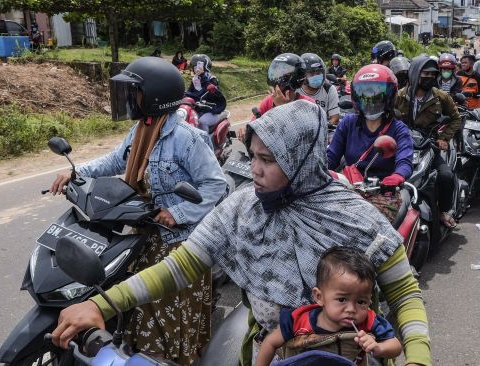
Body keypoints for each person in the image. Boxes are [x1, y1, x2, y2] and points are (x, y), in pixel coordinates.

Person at [50, 100, 432, 366]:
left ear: (301, 161)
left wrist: (417, 357)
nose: (256, 171)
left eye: (269, 160)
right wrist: (101, 304)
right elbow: (180, 266)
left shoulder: (354, 216)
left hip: (355, 356)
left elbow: (403, 294)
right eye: (254, 157)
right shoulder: (241, 207)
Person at [48, 57, 228, 364]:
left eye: (136, 92)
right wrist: (77, 172)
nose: (131, 99)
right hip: (146, 228)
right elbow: (116, 160)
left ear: (156, 95)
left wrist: (179, 212)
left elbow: (215, 185)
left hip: (180, 238)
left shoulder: (187, 138)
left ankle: (164, 358)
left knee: (160, 304)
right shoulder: (143, 129)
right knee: (132, 293)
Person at [256, 247, 402, 366]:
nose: (351, 309)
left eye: (361, 302)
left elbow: (395, 346)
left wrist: (379, 348)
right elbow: (270, 342)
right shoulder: (299, 321)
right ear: (319, 297)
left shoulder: (369, 321)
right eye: (342, 299)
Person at [327, 64, 414, 221]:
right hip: (350, 188)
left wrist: (397, 176)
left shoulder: (399, 129)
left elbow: (405, 161)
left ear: (389, 95)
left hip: (384, 191)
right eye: (364, 93)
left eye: (376, 93)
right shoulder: (347, 123)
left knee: (373, 225)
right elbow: (330, 158)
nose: (370, 99)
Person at [395, 56, 462, 228]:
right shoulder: (399, 95)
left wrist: (443, 138)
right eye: (425, 73)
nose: (429, 77)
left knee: (446, 176)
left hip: (429, 146)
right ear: (415, 73)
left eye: (433, 74)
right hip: (402, 145)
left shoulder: (441, 97)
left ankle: (444, 211)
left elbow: (456, 119)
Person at [236, 53, 314, 142]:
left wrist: (282, 109)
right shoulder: (268, 101)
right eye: (276, 73)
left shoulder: (308, 104)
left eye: (283, 75)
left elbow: (302, 136)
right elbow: (255, 124)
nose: (276, 79)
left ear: (295, 78)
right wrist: (246, 130)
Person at [185, 54, 227, 132]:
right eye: (193, 67)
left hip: (212, 109)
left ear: (204, 66)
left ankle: (206, 143)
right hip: (199, 109)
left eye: (196, 66)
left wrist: (203, 76)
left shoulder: (212, 79)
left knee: (201, 122)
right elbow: (189, 93)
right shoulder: (195, 79)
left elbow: (209, 92)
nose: (194, 69)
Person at [298, 53, 340, 125]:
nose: (316, 76)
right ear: (303, 74)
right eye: (311, 73)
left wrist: (321, 129)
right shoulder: (295, 89)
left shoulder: (329, 89)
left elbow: (335, 118)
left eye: (318, 72)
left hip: (322, 128)